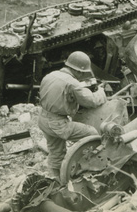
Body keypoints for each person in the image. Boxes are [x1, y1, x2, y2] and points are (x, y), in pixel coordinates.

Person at [38, 51, 107, 179]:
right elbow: (91, 101)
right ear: (79, 71)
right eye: (82, 74)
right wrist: (101, 92)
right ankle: (93, 168)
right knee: (92, 134)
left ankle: (56, 180)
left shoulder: (51, 75)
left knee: (56, 153)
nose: (81, 77)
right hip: (57, 123)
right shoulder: (72, 83)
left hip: (43, 118)